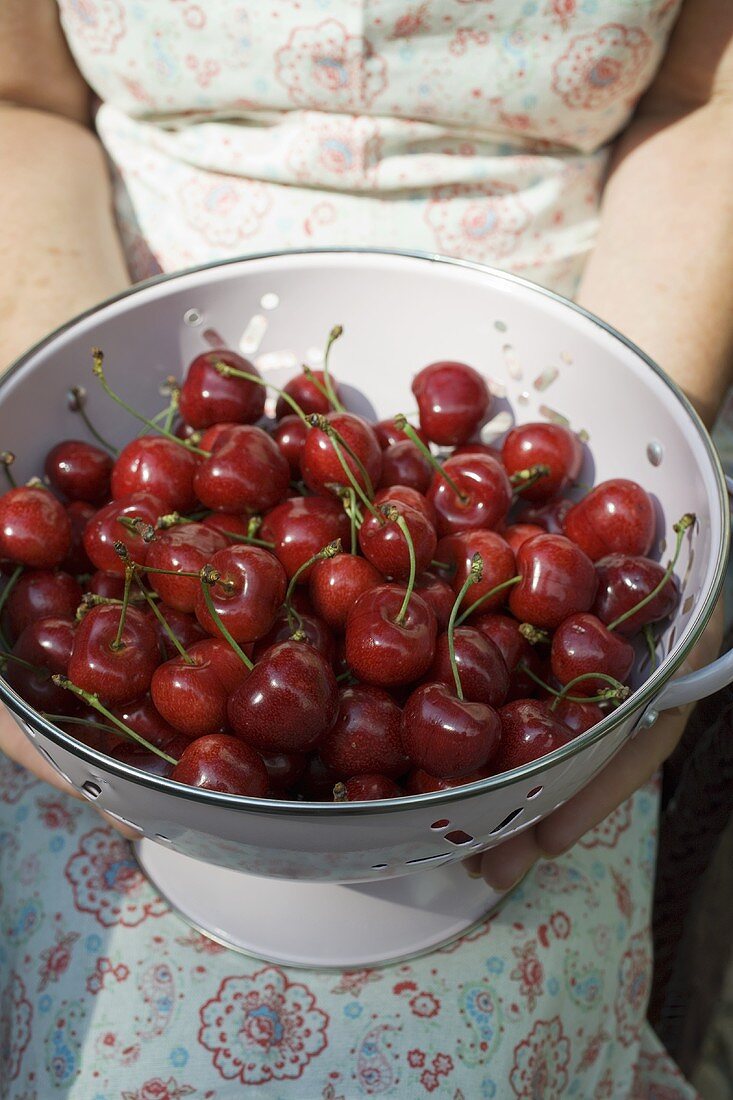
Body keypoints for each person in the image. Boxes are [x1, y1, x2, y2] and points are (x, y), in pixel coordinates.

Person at [0, 2, 731, 1096]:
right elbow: (20, 100)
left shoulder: (473, 561)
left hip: (568, 349)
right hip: (139, 355)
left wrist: (655, 415)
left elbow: (702, 103)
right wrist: (59, 379)